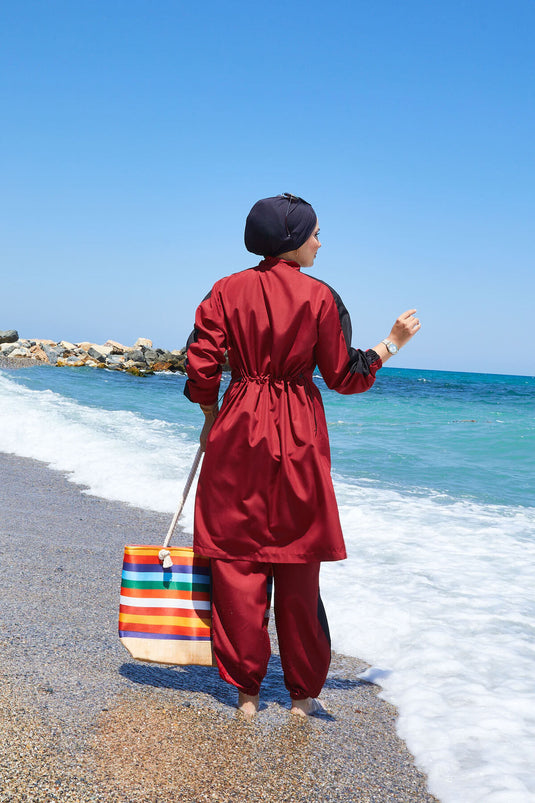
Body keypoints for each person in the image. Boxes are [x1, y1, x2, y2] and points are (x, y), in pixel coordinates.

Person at [184, 193, 420, 719]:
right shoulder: (320, 296)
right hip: (298, 434)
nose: (319, 242)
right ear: (291, 239)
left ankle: (246, 696)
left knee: (236, 562)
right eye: (314, 233)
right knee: (298, 565)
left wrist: (210, 414)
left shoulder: (224, 290)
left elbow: (201, 362)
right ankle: (301, 697)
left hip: (237, 428)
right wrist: (391, 343)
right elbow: (343, 375)